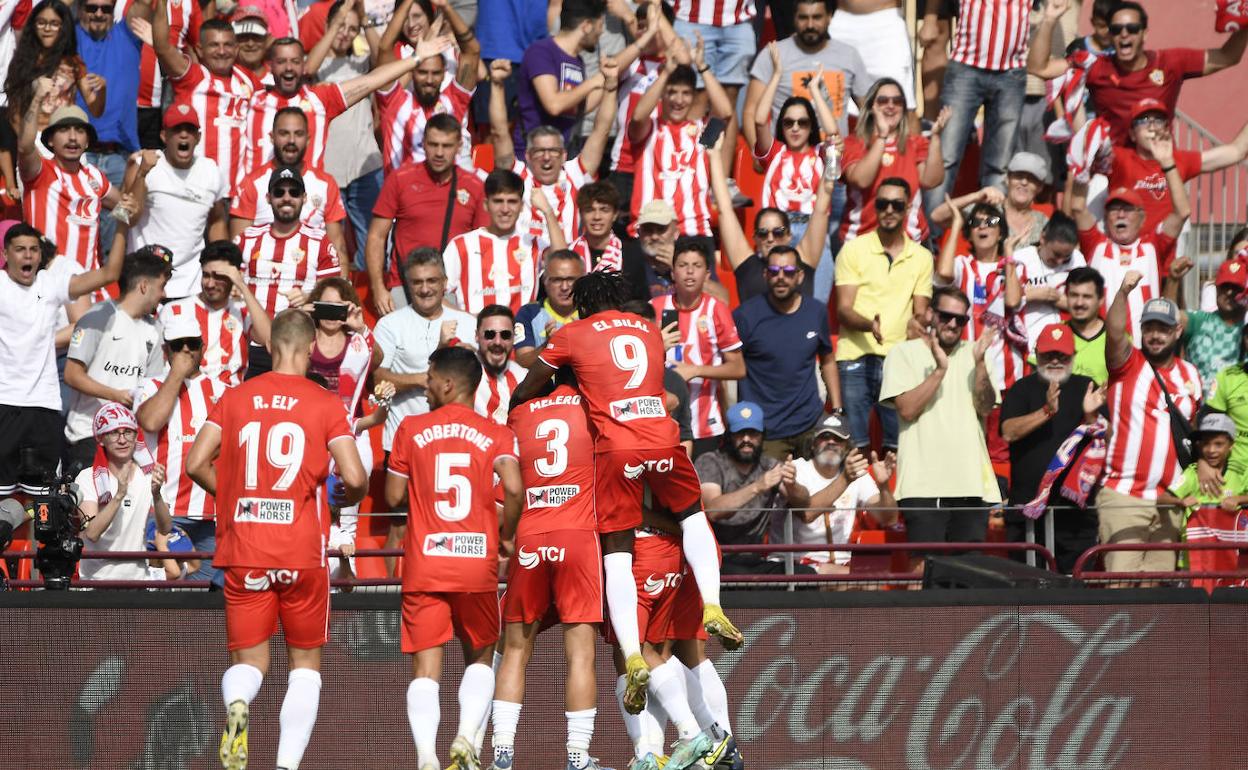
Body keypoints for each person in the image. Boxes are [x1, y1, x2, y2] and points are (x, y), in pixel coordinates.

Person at [509, 270, 741, 741]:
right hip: (670, 475)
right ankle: (717, 609)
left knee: (617, 560)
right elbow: (667, 392)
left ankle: (644, 676)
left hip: (619, 470)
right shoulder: (652, 332)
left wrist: (519, 403)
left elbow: (531, 380)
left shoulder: (573, 336)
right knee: (694, 645)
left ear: (582, 305)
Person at [185, 308, 368, 770]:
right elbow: (353, 475)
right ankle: (286, 765)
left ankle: (238, 704)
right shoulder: (326, 403)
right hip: (301, 553)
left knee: (250, 663)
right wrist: (351, 493)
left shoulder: (235, 397)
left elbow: (194, 464)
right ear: (310, 350)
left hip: (244, 548)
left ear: (269, 347)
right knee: (305, 669)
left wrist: (233, 497)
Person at [384, 345, 523, 770]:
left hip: (426, 561)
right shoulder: (497, 433)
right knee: (481, 656)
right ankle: (465, 736)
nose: (425, 387)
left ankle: (426, 756)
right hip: (475, 561)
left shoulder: (411, 428)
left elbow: (392, 497)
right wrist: (506, 535)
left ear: (447, 383)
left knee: (426, 665)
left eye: (428, 379)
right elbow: (515, 489)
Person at [492, 377, 606, 770]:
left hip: (530, 534)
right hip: (578, 535)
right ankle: (577, 757)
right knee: (580, 656)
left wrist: (508, 535)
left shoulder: (518, 414)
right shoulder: (593, 407)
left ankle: (502, 753)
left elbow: (505, 489)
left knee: (514, 651)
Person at [373, 248, 477, 574]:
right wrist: (427, 380)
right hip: (404, 440)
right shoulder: (390, 324)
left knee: (459, 521)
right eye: (417, 282)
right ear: (407, 284)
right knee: (400, 524)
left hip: (459, 440)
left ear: (445, 282)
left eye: (432, 280)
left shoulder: (470, 323)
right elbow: (377, 376)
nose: (425, 288)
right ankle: (388, 603)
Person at [0, 222, 123, 496]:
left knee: (44, 503)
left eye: (33, 249)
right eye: (20, 249)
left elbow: (110, 273)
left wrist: (123, 223)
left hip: (43, 406)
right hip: (4, 405)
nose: (28, 255)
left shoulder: (50, 284)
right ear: (6, 254)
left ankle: (39, 541)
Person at [880, 286, 1002, 548]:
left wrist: (980, 363)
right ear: (931, 314)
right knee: (922, 570)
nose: (953, 323)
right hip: (923, 485)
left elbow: (985, 408)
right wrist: (940, 370)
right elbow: (907, 410)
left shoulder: (977, 352)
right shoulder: (903, 353)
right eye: (946, 316)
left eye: (961, 319)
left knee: (968, 575)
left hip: (971, 483)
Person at [1030, 0, 1248, 145]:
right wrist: (1049, 20)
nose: (1124, 35)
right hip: (1112, 174)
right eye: (1116, 30)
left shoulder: (1171, 61)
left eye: (1132, 29)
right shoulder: (1095, 65)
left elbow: (1227, 57)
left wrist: (1245, 22)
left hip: (1157, 173)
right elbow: (1039, 68)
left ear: (1145, 33)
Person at [1097, 272, 1201, 573]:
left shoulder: (1191, 375)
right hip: (1125, 494)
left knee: (1158, 590)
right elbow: (1115, 332)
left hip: (1171, 498)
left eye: (1163, 329)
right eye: (1149, 328)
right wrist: (1123, 290)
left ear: (1178, 331)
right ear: (1140, 330)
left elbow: (1191, 433)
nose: (1155, 335)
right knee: (1119, 587)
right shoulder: (1128, 364)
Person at [244, 33, 449, 176]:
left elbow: (370, 81)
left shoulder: (320, 99)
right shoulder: (250, 100)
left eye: (295, 61)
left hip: (308, 209)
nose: (289, 68)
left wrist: (416, 58)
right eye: (281, 62)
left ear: (304, 65)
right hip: (257, 206)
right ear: (270, 65)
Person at [834, 176, 933, 453]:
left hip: (899, 358)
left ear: (908, 207)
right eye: (882, 204)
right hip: (855, 354)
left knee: (898, 446)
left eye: (896, 205)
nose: (889, 210)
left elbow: (920, 312)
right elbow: (843, 309)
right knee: (854, 446)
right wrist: (869, 325)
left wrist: (922, 323)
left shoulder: (921, 257)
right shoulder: (854, 249)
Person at [999, 323, 1105, 573]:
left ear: (1073, 356)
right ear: (1037, 354)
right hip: (1027, 512)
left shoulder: (1087, 387)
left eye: (1062, 355)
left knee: (1075, 595)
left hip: (1076, 514)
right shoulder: (1021, 389)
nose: (1055, 361)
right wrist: (1046, 411)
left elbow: (1108, 442)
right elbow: (1008, 432)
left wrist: (1091, 418)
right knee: (1026, 594)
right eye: (1049, 355)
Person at [133, 311, 229, 582]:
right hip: (164, 512)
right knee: (167, 600)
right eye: (178, 345)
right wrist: (176, 374)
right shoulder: (149, 386)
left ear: (202, 344)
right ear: (166, 350)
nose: (186, 350)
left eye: (192, 343)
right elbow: (151, 421)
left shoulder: (224, 390)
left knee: (208, 604)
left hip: (211, 515)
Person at [1070, 130, 1190, 343]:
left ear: (1142, 218)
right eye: (1114, 209)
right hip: (1102, 349)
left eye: (1128, 209)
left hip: (1144, 348)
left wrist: (1168, 164)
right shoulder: (1095, 244)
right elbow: (1078, 207)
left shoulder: (1153, 245)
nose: (1121, 214)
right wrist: (1082, 168)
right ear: (1105, 217)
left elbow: (1182, 212)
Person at [489, 54, 619, 247]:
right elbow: (499, 132)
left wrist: (610, 86)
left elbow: (602, 130)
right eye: (539, 151)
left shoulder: (575, 173)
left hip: (566, 271)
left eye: (553, 151)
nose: (547, 157)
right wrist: (497, 85)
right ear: (527, 156)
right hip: (524, 268)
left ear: (564, 155)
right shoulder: (517, 176)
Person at [62, 245, 170, 477]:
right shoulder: (97, 317)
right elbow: (72, 374)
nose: (164, 295)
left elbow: (152, 385)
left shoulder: (155, 330)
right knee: (87, 511)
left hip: (128, 440)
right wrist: (115, 395)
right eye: (161, 286)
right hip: (88, 436)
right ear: (143, 285)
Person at [749, 41, 844, 300]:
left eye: (803, 122)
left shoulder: (821, 155)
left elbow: (834, 135)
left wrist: (815, 91)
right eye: (788, 122)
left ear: (810, 126)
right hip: (778, 232)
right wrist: (777, 75)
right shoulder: (775, 153)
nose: (795, 128)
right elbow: (759, 120)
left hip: (813, 233)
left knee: (815, 305)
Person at [367, 113, 488, 315]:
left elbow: (482, 246)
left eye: (447, 146)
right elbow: (376, 236)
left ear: (459, 147)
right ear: (422, 143)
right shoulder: (400, 179)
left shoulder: (475, 186)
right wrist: (378, 288)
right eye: (433, 144)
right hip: (405, 286)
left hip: (452, 288)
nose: (439, 152)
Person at [708, 117, 834, 304]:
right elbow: (725, 210)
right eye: (763, 233)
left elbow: (822, 209)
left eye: (778, 232)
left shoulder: (804, 264)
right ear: (755, 238)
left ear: (789, 235)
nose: (770, 238)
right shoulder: (748, 267)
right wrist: (714, 155)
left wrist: (833, 157)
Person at [734, 246, 841, 460]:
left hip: (810, 423)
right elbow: (732, 367)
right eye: (774, 271)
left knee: (838, 472)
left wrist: (837, 410)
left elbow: (828, 361)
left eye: (788, 271)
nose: (781, 277)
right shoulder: (745, 316)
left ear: (800, 276)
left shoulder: (816, 311)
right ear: (765, 275)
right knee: (771, 491)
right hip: (767, 430)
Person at [145, 0, 260, 196]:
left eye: (228, 45)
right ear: (199, 50)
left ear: (237, 49)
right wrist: (162, 4)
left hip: (235, 193)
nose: (222, 51)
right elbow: (163, 47)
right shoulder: (192, 76)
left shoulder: (248, 80)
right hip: (193, 189)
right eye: (214, 45)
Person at [626, 37, 733, 246]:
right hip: (650, 234)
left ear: (693, 97)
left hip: (694, 233)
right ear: (662, 95)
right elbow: (638, 116)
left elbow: (726, 113)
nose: (678, 100)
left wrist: (701, 67)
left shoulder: (702, 131)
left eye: (685, 93)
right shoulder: (650, 128)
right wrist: (665, 73)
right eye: (672, 92)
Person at [237, 166, 342, 378]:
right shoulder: (247, 239)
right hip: (252, 347)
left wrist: (310, 298)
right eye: (279, 192)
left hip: (298, 350)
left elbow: (335, 304)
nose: (287, 198)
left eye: (294, 192)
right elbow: (229, 287)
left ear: (304, 198)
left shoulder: (319, 241)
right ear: (268, 198)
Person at [927, 0, 1031, 212]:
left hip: (1012, 70)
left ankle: (991, 231)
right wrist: (930, 17)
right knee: (945, 157)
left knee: (999, 165)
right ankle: (929, 238)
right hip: (967, 67)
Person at [304, 0, 385, 272]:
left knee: (371, 238)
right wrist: (337, 22)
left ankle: (368, 298)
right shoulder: (313, 64)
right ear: (327, 25)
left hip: (365, 164)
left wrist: (364, 21)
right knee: (331, 242)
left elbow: (382, 57)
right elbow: (308, 68)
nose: (345, 33)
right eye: (340, 25)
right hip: (329, 168)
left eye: (352, 29)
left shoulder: (363, 64)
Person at [123, 104, 230, 300]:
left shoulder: (210, 170)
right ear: (164, 136)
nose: (183, 135)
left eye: (189, 130)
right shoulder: (145, 164)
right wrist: (141, 174)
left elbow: (217, 220)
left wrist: (222, 265)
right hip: (143, 283)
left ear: (198, 137)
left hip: (190, 287)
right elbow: (127, 219)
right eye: (176, 130)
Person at [650, 238, 745, 458]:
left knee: (702, 489)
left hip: (706, 424)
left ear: (707, 275)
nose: (690, 272)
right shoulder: (654, 307)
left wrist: (695, 370)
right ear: (672, 272)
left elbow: (738, 368)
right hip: (663, 422)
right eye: (683, 266)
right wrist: (656, 349)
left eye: (697, 266)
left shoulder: (717, 309)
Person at [769, 413, 898, 572]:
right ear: (813, 445)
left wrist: (884, 486)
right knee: (861, 580)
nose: (831, 442)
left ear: (846, 447)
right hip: (794, 563)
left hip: (840, 565)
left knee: (874, 577)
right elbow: (807, 513)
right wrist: (845, 479)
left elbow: (889, 519)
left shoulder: (856, 475)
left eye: (838, 439)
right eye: (825, 437)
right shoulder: (796, 469)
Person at [696, 401, 812, 575]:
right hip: (717, 559)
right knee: (739, 576)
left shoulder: (769, 464)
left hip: (756, 560)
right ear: (729, 436)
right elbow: (713, 510)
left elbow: (804, 503)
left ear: (762, 435)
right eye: (740, 433)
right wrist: (757, 486)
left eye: (753, 433)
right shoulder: (710, 462)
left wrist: (792, 485)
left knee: (807, 575)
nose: (746, 440)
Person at [1107, 97, 1248, 235]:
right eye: (1143, 121)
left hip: (1165, 249)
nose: (1152, 126)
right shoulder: (1118, 158)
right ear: (1132, 134)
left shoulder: (1179, 160)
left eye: (1158, 120)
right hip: (1126, 250)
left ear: (1167, 129)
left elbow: (1236, 152)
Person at [743, 0, 871, 148]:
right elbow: (750, 112)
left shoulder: (849, 55)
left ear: (829, 17)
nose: (810, 25)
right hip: (786, 162)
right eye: (803, 17)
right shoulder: (773, 54)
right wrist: (758, 154)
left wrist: (859, 152)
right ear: (794, 18)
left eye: (817, 17)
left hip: (834, 162)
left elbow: (869, 111)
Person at [74, 0, 145, 259]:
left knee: (117, 228)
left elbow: (146, 5)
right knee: (74, 224)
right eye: (92, 7)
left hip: (119, 155)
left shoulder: (127, 34)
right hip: (77, 154)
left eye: (106, 7)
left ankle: (110, 288)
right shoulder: (69, 36)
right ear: (81, 9)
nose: (99, 13)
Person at [371, 0, 476, 174]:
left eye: (435, 73)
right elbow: (384, 47)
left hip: (446, 190)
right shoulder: (394, 103)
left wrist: (446, 7)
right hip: (401, 195)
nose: (429, 79)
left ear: (444, 73)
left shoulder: (454, 101)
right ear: (412, 71)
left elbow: (472, 52)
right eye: (422, 72)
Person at [232, 107, 350, 260]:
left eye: (298, 134)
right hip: (261, 278)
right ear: (272, 137)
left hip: (312, 279)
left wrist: (343, 281)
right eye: (284, 133)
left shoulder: (326, 184)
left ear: (308, 139)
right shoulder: (251, 183)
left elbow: (338, 247)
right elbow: (236, 249)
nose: (291, 141)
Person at [442, 169, 564, 316]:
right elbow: (436, 296)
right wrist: (467, 319)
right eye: (498, 201)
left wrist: (548, 211)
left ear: (521, 207)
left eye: (512, 201)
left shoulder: (532, 243)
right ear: (486, 205)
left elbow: (563, 262)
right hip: (475, 336)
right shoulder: (461, 246)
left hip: (523, 335)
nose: (505, 209)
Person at [934, 200, 1027, 393]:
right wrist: (957, 224)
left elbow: (1012, 301)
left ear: (1000, 232)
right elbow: (943, 272)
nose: (983, 226)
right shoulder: (963, 265)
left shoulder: (1014, 267)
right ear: (970, 235)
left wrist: (1009, 255)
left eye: (991, 222)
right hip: (965, 372)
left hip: (1005, 374)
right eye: (975, 223)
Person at [840, 78, 947, 245]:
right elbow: (861, 180)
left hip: (911, 241)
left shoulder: (915, 143)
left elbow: (932, 180)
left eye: (897, 101)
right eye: (883, 101)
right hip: (862, 242)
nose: (891, 106)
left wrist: (935, 138)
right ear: (870, 107)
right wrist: (882, 136)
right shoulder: (853, 143)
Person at [19, 100, 122, 271]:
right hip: (47, 285)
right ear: (50, 140)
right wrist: (36, 99)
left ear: (87, 141)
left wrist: (139, 175)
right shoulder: (40, 171)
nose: (73, 137)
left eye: (80, 131)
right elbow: (24, 148)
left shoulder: (95, 176)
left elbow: (126, 213)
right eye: (64, 130)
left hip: (89, 286)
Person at [76, 401, 172, 581]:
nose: (122, 440)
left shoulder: (150, 475)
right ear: (101, 438)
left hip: (138, 578)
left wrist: (157, 495)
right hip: (96, 580)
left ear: (136, 437)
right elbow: (91, 533)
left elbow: (165, 528)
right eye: (113, 433)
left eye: (128, 432)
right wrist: (119, 495)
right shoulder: (87, 477)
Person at [158, 240, 272, 387]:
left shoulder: (242, 310)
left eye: (219, 277)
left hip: (229, 398)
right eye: (206, 275)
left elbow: (267, 338)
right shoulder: (174, 309)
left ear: (235, 276)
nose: (210, 284)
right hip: (185, 396)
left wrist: (242, 285)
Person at [1164, 413, 1248, 592]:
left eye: (1218, 444)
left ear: (1231, 445)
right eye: (1206, 444)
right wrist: (1180, 500)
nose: (1211, 450)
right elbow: (1161, 498)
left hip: (1233, 562)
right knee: (1195, 615)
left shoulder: (1241, 472)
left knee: (1230, 613)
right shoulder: (1192, 473)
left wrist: (1239, 499)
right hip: (1192, 562)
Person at [514, 0, 609, 158]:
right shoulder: (541, 52)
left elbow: (579, 108)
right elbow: (554, 104)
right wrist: (592, 83)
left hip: (560, 156)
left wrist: (608, 79)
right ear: (586, 26)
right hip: (532, 158)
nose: (601, 32)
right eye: (600, 25)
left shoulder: (577, 61)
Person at [1163, 258, 1247, 393]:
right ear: (1217, 289)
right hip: (1200, 410)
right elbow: (1167, 318)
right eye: (1225, 286)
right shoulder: (1199, 321)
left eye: (1237, 288)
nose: (1230, 293)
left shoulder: (1245, 329)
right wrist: (1173, 280)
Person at [1013, 212, 1084, 351]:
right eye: (1056, 254)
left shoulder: (1077, 259)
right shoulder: (1020, 258)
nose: (1060, 261)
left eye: (1066, 257)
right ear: (1043, 238)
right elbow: (1006, 301)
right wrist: (1033, 295)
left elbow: (1084, 304)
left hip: (1067, 344)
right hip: (1027, 344)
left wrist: (1052, 297)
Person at [514, 249, 585, 369]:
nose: (564, 287)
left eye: (571, 279)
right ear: (545, 281)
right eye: (557, 280)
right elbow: (522, 362)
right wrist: (549, 345)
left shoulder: (593, 312)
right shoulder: (528, 313)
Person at [473, 304, 526, 424]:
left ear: (513, 338)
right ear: (476, 336)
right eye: (490, 334)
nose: (497, 341)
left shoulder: (523, 377)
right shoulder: (462, 371)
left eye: (505, 335)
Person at [1062, 266, 1110, 386]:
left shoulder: (1116, 339)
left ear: (1100, 300)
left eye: (1086, 297)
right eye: (1074, 295)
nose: (1079, 303)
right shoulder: (1053, 334)